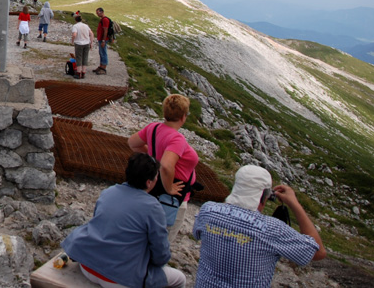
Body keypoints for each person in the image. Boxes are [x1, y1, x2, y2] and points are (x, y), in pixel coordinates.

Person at [63, 153, 186, 288]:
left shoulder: (109, 192)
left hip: (87, 265)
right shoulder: (153, 207)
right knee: (180, 279)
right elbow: (160, 253)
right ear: (149, 182)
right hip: (118, 279)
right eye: (156, 176)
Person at [193, 164, 325, 288]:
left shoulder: (208, 210)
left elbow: (196, 234)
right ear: (263, 195)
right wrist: (294, 204)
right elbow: (318, 252)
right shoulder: (272, 229)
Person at [128, 94, 199, 241]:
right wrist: (169, 188)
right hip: (172, 197)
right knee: (162, 238)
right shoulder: (177, 139)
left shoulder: (153, 128)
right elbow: (167, 165)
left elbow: (132, 143)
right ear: (183, 117)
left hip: (153, 187)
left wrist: (153, 156)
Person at [71, 14, 93, 79]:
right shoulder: (86, 26)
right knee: (85, 57)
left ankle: (78, 73)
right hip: (87, 43)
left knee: (79, 58)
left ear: (75, 20)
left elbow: (74, 34)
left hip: (79, 43)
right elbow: (91, 34)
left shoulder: (75, 26)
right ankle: (83, 73)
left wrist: (72, 40)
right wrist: (91, 43)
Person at [93, 7, 111, 74]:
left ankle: (103, 68)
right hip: (100, 38)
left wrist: (103, 40)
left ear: (101, 12)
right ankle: (101, 66)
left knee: (103, 53)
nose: (97, 14)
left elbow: (105, 30)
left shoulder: (105, 20)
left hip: (103, 39)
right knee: (101, 52)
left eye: (98, 13)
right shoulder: (102, 19)